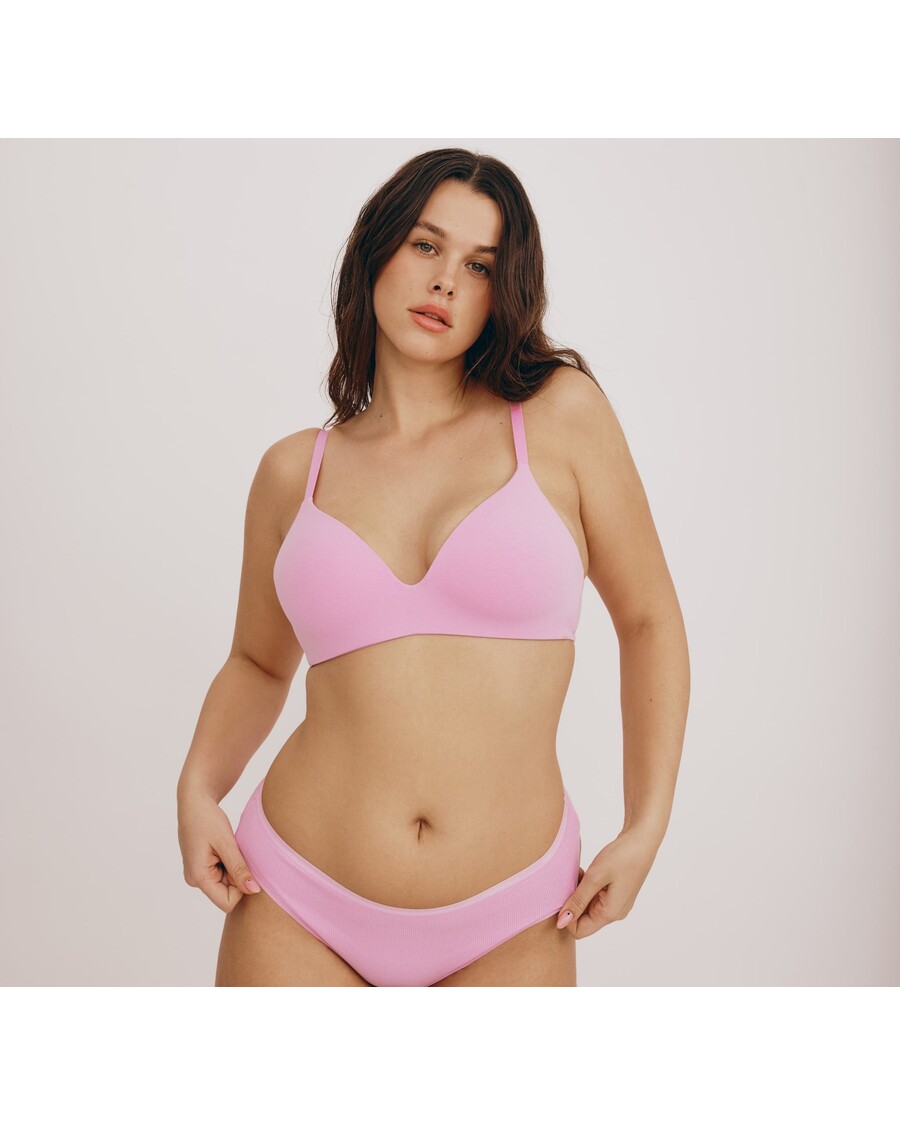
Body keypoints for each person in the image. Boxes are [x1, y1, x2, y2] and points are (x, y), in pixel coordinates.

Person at [176, 148, 690, 987]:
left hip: (515, 914)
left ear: (503, 290)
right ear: (376, 249)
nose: (446, 280)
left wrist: (647, 825)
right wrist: (197, 788)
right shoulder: (291, 472)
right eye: (426, 245)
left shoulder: (560, 417)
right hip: (296, 897)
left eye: (479, 265)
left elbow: (649, 619)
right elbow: (259, 662)